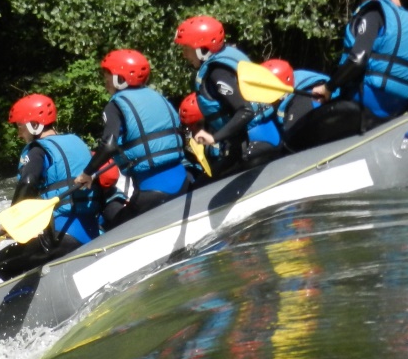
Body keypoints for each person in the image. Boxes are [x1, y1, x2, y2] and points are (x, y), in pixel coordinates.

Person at [72, 49, 189, 229]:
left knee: (112, 225)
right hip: (184, 180)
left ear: (120, 78)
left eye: (108, 76)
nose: (105, 81)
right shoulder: (158, 97)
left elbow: (109, 145)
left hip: (152, 191)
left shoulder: (115, 105)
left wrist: (87, 173)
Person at [0, 93, 102, 280]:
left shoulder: (37, 150)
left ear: (35, 125)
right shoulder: (76, 142)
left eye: (20, 127)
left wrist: (12, 222)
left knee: (0, 263)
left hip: (63, 237)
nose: (19, 134)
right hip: (93, 230)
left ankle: (34, 299)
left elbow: (27, 182)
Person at [312, 0, 408, 130]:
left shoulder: (374, 12)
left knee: (304, 128)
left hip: (368, 100)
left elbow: (357, 60)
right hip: (403, 105)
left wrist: (328, 87)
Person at [173, 15, 265, 178]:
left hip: (255, 141)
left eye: (187, 49)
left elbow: (245, 111)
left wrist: (213, 137)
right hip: (247, 138)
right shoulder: (224, 61)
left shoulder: (218, 73)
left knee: (204, 186)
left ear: (203, 48)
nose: (185, 55)